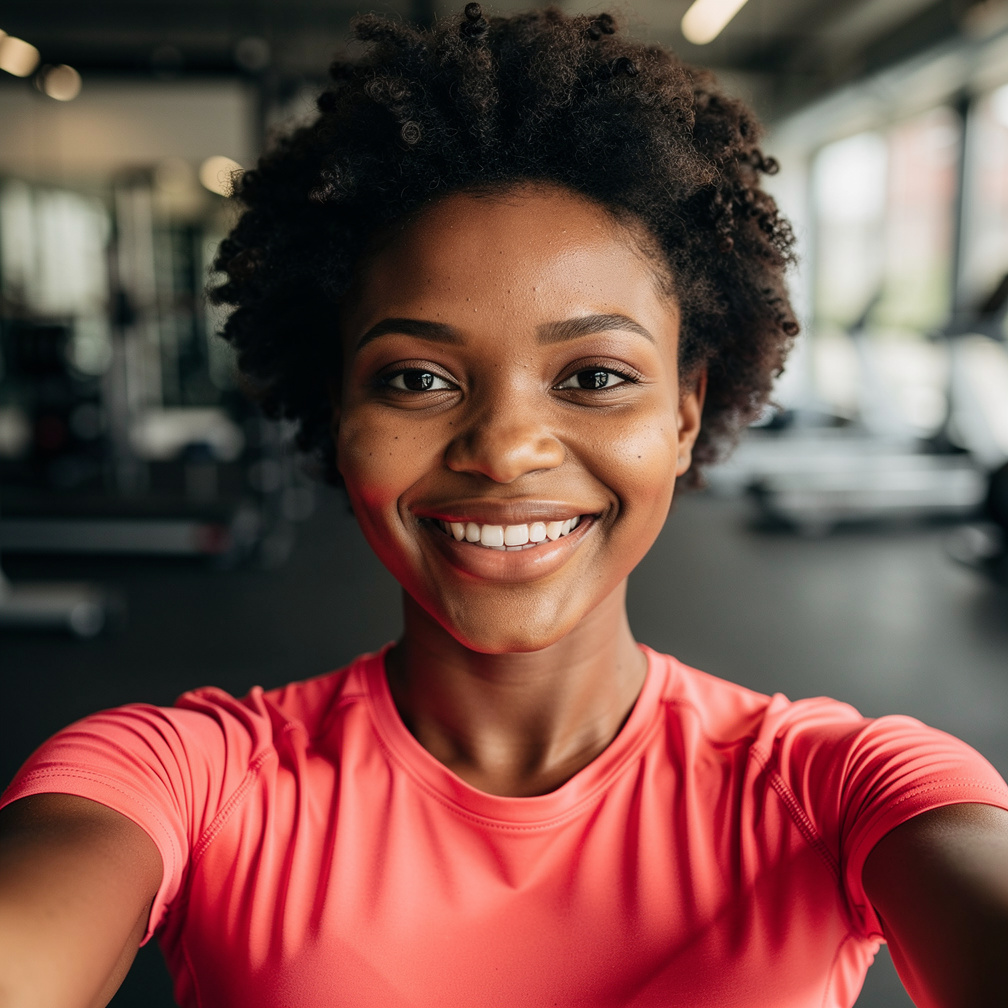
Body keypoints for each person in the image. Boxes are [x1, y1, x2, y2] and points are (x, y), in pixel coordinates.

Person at [2, 6, 1007, 1007]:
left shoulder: (849, 789)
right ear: (336, 405)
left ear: (687, 410)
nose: (504, 449)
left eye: (596, 375)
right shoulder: (181, 780)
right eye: (416, 380)